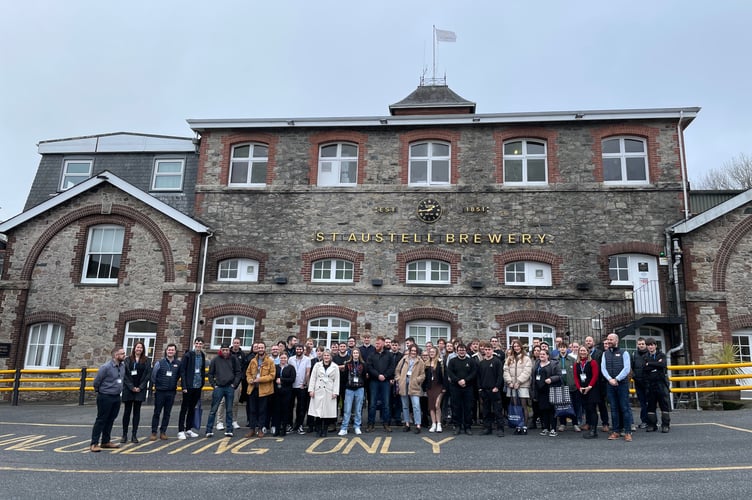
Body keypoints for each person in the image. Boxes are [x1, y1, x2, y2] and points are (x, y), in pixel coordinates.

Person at [90, 346, 126, 452]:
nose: (124, 355)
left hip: (116, 397)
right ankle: (94, 443)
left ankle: (106, 441)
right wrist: (100, 392)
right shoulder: (106, 367)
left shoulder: (123, 366)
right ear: (116, 355)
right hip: (105, 396)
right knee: (101, 420)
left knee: (111, 419)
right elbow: (97, 382)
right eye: (122, 353)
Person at [205, 343, 242, 437]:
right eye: (223, 350)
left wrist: (234, 384)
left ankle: (229, 429)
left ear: (229, 350)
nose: (225, 351)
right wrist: (213, 385)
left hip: (230, 387)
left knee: (229, 409)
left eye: (227, 350)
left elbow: (238, 372)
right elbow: (210, 374)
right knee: (213, 409)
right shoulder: (215, 360)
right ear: (220, 350)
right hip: (219, 387)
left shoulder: (233, 359)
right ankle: (209, 430)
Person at [601, 333, 633, 442]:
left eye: (611, 339)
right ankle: (616, 431)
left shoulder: (624, 353)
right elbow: (603, 369)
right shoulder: (605, 354)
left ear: (616, 341)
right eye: (608, 339)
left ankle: (628, 432)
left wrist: (617, 379)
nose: (609, 341)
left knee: (624, 408)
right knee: (613, 409)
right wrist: (610, 379)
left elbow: (627, 368)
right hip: (610, 384)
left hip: (622, 384)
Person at [121, 341, 151, 444]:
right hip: (129, 389)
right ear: (134, 348)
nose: (139, 349)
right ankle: (124, 435)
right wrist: (131, 387)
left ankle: (134, 435)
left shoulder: (147, 360)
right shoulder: (127, 360)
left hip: (140, 390)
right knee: (127, 412)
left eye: (141, 348)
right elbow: (124, 375)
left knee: (136, 413)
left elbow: (148, 375)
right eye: (137, 347)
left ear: (143, 350)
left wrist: (140, 387)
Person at [177, 338, 206, 440]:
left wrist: (202, 383)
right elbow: (183, 371)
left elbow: (202, 370)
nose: (198, 345)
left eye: (200, 343)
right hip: (188, 386)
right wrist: (184, 386)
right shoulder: (188, 355)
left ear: (203, 345)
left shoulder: (202, 355)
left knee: (192, 409)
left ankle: (189, 429)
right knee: (184, 408)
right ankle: (181, 430)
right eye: (197, 343)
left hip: (197, 386)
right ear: (194, 344)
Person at [150, 343, 181, 440]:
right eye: (169, 350)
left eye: (172, 350)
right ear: (166, 351)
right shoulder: (159, 363)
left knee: (167, 413)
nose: (170, 351)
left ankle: (163, 432)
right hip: (160, 391)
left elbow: (178, 376)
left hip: (171, 392)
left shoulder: (178, 364)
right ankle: (154, 432)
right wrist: (158, 385)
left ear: (175, 352)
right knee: (157, 412)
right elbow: (153, 376)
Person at [245, 342, 275, 438]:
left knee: (262, 410)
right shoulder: (253, 360)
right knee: (252, 410)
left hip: (264, 389)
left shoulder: (270, 361)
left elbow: (272, 375)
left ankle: (261, 429)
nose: (260, 349)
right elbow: (248, 372)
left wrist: (260, 379)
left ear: (265, 349)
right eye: (259, 347)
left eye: (262, 347)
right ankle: (252, 429)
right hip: (253, 388)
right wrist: (249, 379)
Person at [366, 335, 395, 432]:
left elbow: (392, 367)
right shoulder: (371, 354)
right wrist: (378, 375)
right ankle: (371, 424)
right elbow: (369, 367)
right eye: (376, 343)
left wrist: (385, 376)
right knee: (372, 404)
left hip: (385, 382)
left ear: (383, 343)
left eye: (378, 343)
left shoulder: (389, 355)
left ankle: (386, 424)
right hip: (374, 381)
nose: (376, 345)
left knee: (386, 404)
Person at [446, 344, 477, 435]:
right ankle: (457, 426)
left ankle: (467, 427)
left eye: (463, 350)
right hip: (455, 387)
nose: (461, 351)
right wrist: (458, 380)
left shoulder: (470, 361)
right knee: (456, 408)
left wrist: (465, 380)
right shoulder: (452, 361)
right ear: (457, 351)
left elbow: (474, 372)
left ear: (465, 351)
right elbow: (450, 373)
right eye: (460, 350)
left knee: (468, 408)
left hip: (468, 387)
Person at [308, 350, 340, 437]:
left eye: (328, 356)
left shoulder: (335, 366)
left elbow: (337, 380)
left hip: (329, 390)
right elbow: (313, 378)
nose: (326, 357)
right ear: (322, 357)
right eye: (325, 355)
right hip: (318, 390)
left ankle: (325, 430)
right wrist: (311, 390)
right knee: (318, 411)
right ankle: (318, 429)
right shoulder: (317, 365)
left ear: (330, 357)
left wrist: (335, 392)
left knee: (327, 412)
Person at [503, 339, 532, 435]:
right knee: (515, 406)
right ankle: (518, 425)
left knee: (523, 406)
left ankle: (524, 426)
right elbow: (505, 371)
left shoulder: (526, 358)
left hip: (522, 385)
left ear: (521, 346)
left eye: (517, 346)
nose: (516, 348)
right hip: (511, 386)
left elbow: (527, 372)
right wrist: (509, 382)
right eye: (514, 346)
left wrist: (519, 381)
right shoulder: (509, 358)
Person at [216, 337, 246, 431]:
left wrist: (239, 379)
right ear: (232, 344)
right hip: (225, 382)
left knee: (235, 402)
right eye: (235, 342)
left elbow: (242, 368)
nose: (236, 344)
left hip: (236, 382)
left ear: (240, 344)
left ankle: (234, 420)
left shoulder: (242, 354)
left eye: (238, 343)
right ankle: (219, 421)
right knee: (222, 402)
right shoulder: (227, 354)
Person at [395, 345, 426, 433]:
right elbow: (397, 370)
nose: (413, 352)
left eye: (415, 351)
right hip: (404, 383)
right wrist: (399, 379)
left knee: (416, 405)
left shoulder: (420, 361)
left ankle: (418, 424)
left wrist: (417, 380)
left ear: (417, 352)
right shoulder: (404, 359)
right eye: (412, 351)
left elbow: (423, 375)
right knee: (405, 406)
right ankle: (407, 423)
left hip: (414, 384)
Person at [477, 341, 505, 437]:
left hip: (495, 390)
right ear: (484, 351)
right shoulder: (481, 363)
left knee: (497, 410)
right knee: (486, 411)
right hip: (484, 390)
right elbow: (479, 377)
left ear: (492, 350)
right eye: (486, 350)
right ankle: (487, 428)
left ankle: (500, 429)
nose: (488, 351)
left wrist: (497, 386)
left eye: (489, 349)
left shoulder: (497, 362)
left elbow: (500, 376)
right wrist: (480, 388)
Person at [643, 337, 671, 433]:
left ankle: (665, 425)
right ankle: (652, 424)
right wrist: (655, 364)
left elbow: (662, 365)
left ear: (655, 345)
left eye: (652, 345)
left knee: (664, 404)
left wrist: (650, 364)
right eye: (648, 345)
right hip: (650, 384)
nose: (650, 347)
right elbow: (644, 368)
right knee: (651, 405)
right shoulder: (645, 356)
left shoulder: (661, 355)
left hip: (661, 383)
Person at [532, 350, 561, 437]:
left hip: (550, 390)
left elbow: (559, 376)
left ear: (548, 356)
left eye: (544, 354)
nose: (542, 356)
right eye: (540, 354)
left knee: (551, 410)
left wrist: (551, 379)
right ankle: (546, 428)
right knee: (543, 410)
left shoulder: (553, 364)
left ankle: (553, 429)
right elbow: (533, 378)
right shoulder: (537, 364)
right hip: (540, 391)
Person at [574, 345, 600, 439]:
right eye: (581, 351)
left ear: (587, 352)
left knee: (592, 410)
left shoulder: (592, 362)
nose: (582, 352)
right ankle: (590, 428)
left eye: (584, 350)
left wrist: (590, 386)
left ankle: (594, 430)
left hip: (592, 389)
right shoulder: (576, 364)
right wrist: (579, 387)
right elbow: (576, 377)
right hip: (582, 389)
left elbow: (595, 375)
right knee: (587, 410)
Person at [339, 347, 366, 435]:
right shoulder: (347, 364)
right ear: (352, 354)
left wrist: (362, 384)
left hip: (359, 388)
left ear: (359, 354)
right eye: (354, 353)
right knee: (347, 409)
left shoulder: (363, 364)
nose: (355, 354)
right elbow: (344, 376)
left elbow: (365, 376)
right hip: (349, 389)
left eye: (357, 353)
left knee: (358, 409)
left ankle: (357, 426)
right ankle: (344, 427)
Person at [586, 335, 610, 432]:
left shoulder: (600, 353)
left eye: (590, 341)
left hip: (599, 383)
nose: (588, 342)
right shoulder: (584, 354)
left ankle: (605, 424)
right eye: (587, 341)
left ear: (593, 342)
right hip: (587, 383)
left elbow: (602, 368)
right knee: (588, 405)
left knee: (601, 405)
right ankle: (589, 423)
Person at [556, 342, 581, 433]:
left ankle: (575, 424)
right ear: (558, 349)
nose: (562, 349)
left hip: (572, 386)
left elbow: (576, 373)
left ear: (567, 349)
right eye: (561, 347)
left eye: (564, 347)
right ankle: (563, 424)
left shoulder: (572, 360)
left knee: (574, 405)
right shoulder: (555, 360)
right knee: (562, 406)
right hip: (560, 387)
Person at [272, 352, 296, 436]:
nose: (283, 359)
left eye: (285, 358)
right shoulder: (276, 367)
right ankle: (277, 429)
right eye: (281, 358)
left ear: (287, 359)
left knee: (285, 411)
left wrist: (282, 380)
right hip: (277, 392)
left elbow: (292, 379)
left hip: (287, 392)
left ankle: (284, 429)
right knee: (277, 411)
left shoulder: (291, 368)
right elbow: (273, 377)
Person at [290, 344, 311, 435]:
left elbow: (307, 372)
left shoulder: (307, 359)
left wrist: (305, 383)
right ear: (295, 350)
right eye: (297, 349)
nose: (299, 350)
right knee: (290, 406)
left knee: (301, 407)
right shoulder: (290, 359)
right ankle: (290, 425)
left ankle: (299, 425)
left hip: (302, 386)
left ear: (303, 350)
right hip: (292, 386)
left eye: (300, 349)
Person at [424, 346, 445, 433]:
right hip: (430, 387)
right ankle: (433, 424)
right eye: (430, 352)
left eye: (433, 352)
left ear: (436, 353)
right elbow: (425, 377)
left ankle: (439, 423)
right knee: (431, 406)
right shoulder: (427, 363)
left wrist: (444, 387)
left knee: (437, 405)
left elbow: (445, 375)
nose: (431, 353)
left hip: (438, 386)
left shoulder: (441, 362)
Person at [632, 337, 649, 430]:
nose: (641, 345)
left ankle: (651, 421)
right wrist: (634, 376)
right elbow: (632, 367)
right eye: (639, 344)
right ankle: (644, 421)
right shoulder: (634, 354)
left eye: (642, 344)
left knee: (650, 402)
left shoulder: (649, 354)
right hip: (638, 382)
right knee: (642, 403)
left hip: (648, 382)